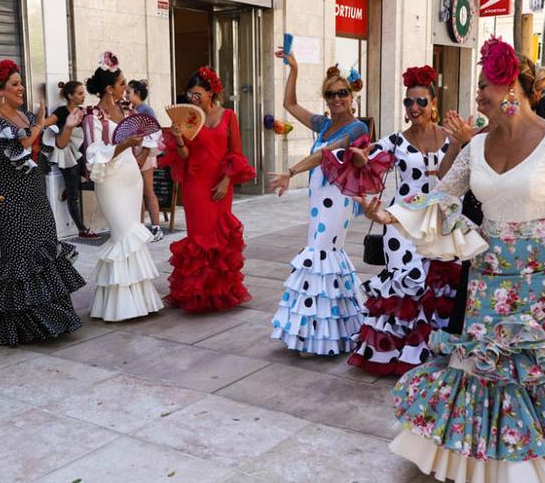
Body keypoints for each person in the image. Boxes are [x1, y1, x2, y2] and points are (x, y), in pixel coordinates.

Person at [359, 37, 545, 482]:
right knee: (480, 367)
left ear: (512, 87)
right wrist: (388, 214)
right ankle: (482, 464)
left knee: (529, 373)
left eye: (485, 85)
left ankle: (528, 470)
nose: (478, 95)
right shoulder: (475, 146)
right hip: (488, 277)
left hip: (539, 281)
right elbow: (440, 199)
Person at [346, 65, 463, 374]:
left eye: (421, 101)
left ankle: (429, 353)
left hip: (439, 224)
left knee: (436, 286)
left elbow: (459, 175)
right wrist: (360, 157)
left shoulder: (452, 139)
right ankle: (393, 355)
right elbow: (366, 160)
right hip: (401, 225)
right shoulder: (395, 142)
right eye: (408, 102)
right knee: (406, 285)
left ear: (434, 103)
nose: (414, 108)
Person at [267, 51, 370, 355]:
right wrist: (295, 69)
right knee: (324, 257)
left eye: (342, 93)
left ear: (352, 96)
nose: (337, 98)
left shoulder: (357, 129)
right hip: (319, 198)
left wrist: (290, 171)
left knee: (320, 253)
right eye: (330, 94)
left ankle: (317, 333)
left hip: (337, 200)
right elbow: (289, 105)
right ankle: (327, 330)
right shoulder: (323, 125)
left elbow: (327, 155)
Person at [0, 59, 85, 346]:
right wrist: (39, 123)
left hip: (36, 195)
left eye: (21, 82)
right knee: (20, 260)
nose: (21, 87)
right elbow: (17, 148)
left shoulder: (25, 118)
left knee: (44, 255)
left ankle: (53, 322)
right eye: (14, 83)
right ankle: (20, 327)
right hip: (8, 199)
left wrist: (68, 126)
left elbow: (56, 147)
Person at [159, 66, 256, 313]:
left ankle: (220, 292)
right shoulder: (188, 118)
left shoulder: (228, 116)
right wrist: (179, 138)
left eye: (197, 94)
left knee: (220, 235)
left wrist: (226, 181)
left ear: (211, 92)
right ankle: (197, 293)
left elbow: (235, 152)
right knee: (199, 237)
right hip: (195, 185)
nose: (193, 99)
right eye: (189, 95)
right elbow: (183, 155)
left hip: (221, 183)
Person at [81, 52, 163, 321]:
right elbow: (93, 153)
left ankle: (140, 301)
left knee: (133, 235)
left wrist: (140, 155)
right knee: (122, 234)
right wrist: (124, 146)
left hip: (131, 175)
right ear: (108, 88)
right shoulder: (91, 115)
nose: (125, 89)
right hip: (110, 178)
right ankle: (117, 304)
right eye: (121, 84)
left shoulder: (129, 109)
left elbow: (152, 132)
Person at [41, 80, 97, 238]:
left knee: (85, 183)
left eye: (83, 93)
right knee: (74, 196)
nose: (83, 96)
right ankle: (82, 230)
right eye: (79, 93)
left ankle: (70, 187)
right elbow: (44, 124)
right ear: (70, 96)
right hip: (67, 155)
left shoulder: (83, 111)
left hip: (82, 154)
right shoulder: (61, 111)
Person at [127, 79, 164, 242]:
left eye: (128, 92)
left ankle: (156, 228)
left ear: (138, 93)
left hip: (145, 155)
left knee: (147, 190)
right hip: (135, 153)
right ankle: (140, 227)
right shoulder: (133, 109)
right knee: (138, 193)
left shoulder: (145, 110)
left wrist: (144, 154)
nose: (126, 95)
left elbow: (154, 133)